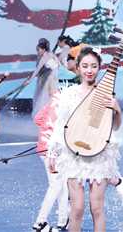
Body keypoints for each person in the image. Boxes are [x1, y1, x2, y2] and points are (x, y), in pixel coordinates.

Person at [47, 47, 123, 231]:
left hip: (99, 155)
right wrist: (53, 151)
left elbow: (114, 127)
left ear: (99, 68)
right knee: (76, 208)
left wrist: (117, 109)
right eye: (85, 66)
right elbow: (61, 125)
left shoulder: (105, 94)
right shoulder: (69, 94)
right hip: (73, 154)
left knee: (97, 208)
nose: (89, 70)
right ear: (77, 68)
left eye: (93, 66)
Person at [32, 90, 70, 231]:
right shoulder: (67, 105)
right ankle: (40, 222)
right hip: (53, 151)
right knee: (56, 185)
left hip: (43, 148)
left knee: (61, 185)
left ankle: (63, 221)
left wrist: (46, 132)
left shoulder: (51, 102)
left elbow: (38, 119)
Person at [24, 38, 60, 117]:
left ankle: (46, 114)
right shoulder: (50, 54)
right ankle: (49, 113)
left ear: (43, 49)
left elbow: (37, 70)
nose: (38, 52)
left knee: (46, 95)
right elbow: (57, 65)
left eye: (39, 50)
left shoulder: (45, 57)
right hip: (51, 76)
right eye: (37, 50)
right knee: (49, 95)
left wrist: (29, 81)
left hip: (50, 77)